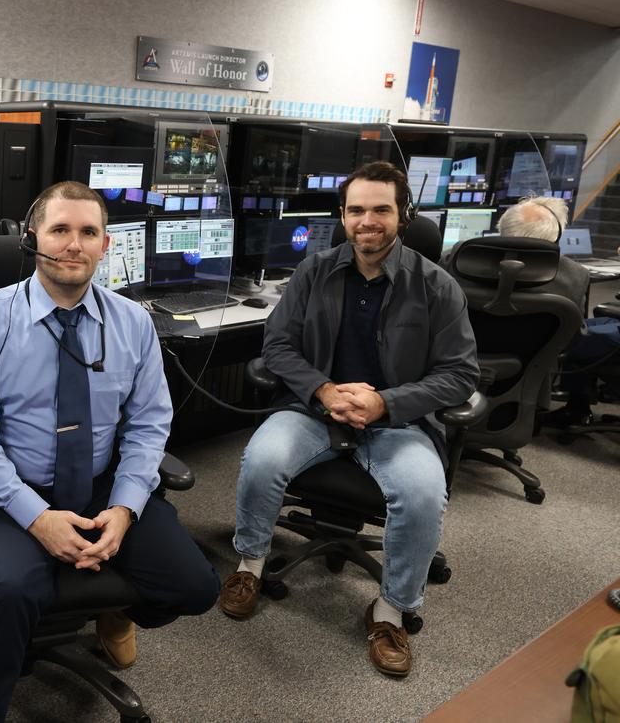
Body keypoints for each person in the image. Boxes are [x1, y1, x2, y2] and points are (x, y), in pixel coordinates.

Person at [0, 181, 220, 722]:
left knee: (195, 587)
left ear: (105, 246)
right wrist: (37, 518)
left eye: (88, 232)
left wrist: (125, 506)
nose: (74, 244)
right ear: (31, 240)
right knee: (8, 593)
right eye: (60, 230)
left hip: (100, 483)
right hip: (11, 489)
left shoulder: (133, 323)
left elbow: (147, 425)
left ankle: (115, 610)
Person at [219, 161, 479, 678]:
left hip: (398, 424)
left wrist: (386, 402)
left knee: (424, 493)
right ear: (342, 216)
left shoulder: (437, 286)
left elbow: (459, 374)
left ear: (401, 216)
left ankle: (390, 612)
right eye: (357, 210)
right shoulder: (314, 271)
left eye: (381, 209)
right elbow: (277, 345)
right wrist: (324, 390)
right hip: (315, 412)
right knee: (262, 458)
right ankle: (250, 565)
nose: (368, 221)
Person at [495, 197, 620, 427]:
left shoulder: (459, 259)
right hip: (536, 365)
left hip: (464, 359)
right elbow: (571, 339)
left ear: (501, 228)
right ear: (556, 238)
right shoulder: (575, 275)